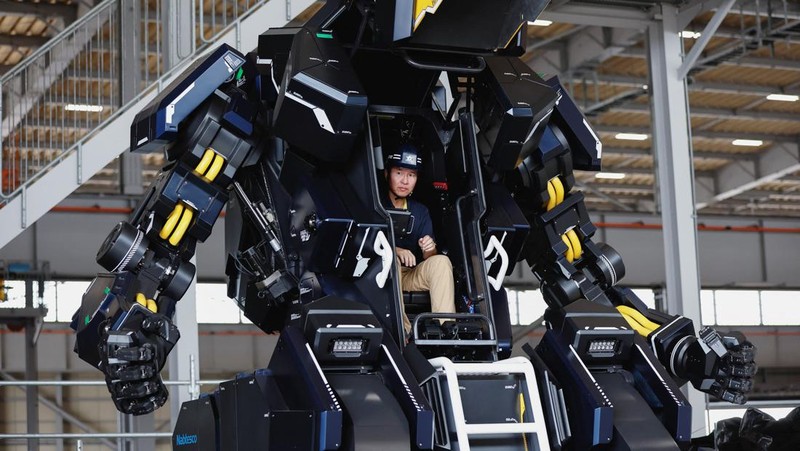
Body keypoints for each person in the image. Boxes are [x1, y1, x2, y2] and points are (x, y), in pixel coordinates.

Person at [384, 143, 455, 335]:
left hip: (409, 275)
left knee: (441, 261)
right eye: (399, 173)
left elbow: (429, 257)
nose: (405, 181)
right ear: (387, 174)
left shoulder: (420, 211)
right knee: (390, 260)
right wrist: (396, 250)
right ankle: (403, 331)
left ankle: (446, 329)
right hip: (381, 274)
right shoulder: (376, 205)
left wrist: (429, 249)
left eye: (411, 175)